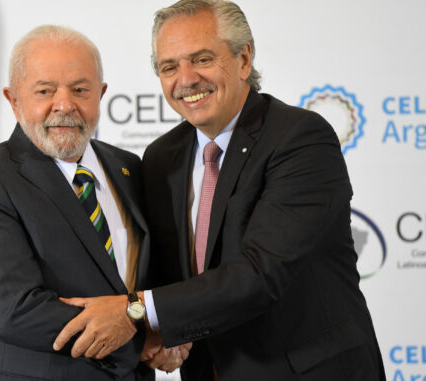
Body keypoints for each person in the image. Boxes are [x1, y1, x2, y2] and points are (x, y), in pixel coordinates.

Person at [53, 1, 386, 380]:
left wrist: (134, 311)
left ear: (244, 59)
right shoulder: (163, 157)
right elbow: (168, 275)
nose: (187, 79)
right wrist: (153, 335)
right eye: (169, 67)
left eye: (202, 59)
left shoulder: (299, 139)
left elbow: (260, 275)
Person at [0, 25, 184, 380]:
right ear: (13, 99)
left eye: (80, 89)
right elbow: (16, 311)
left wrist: (172, 329)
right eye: (45, 90)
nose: (65, 104)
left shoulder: (129, 168)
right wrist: (142, 333)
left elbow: (148, 278)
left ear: (100, 94)